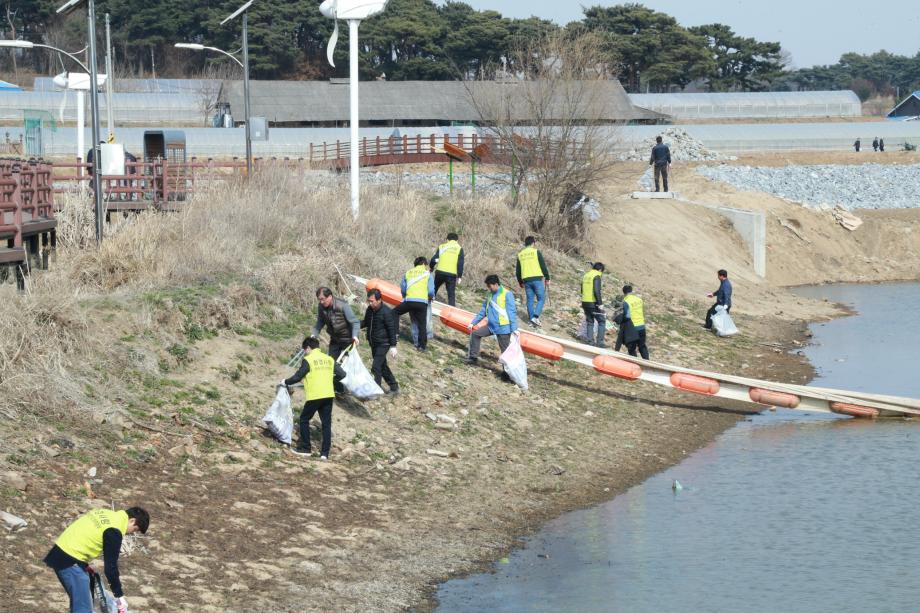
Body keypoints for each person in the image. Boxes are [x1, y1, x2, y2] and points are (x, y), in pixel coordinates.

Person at [44, 506, 150, 613]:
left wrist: (83, 564)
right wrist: (119, 596)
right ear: (132, 521)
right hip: (70, 561)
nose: (131, 533)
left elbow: (85, 534)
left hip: (60, 552)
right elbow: (111, 567)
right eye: (135, 529)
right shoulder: (114, 530)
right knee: (83, 609)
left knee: (80, 602)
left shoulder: (106, 513)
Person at [284, 336, 346, 459]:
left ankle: (305, 448)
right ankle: (324, 454)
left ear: (308, 348)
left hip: (315, 394)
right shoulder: (329, 359)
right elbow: (342, 374)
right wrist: (331, 380)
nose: (305, 353)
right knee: (326, 424)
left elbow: (298, 376)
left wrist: (285, 381)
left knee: (304, 419)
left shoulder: (309, 359)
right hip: (328, 394)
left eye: (304, 350)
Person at [465, 274, 519, 381]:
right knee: (476, 334)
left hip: (503, 328)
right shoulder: (490, 295)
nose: (489, 288)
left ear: (496, 284)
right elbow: (483, 311)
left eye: (490, 286)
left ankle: (507, 374)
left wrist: (514, 329)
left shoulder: (507, 294)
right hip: (491, 326)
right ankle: (473, 358)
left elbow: (512, 312)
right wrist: (473, 323)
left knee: (505, 351)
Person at [311, 287, 360, 393]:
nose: (321, 301)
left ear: (330, 296)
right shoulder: (321, 307)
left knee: (346, 366)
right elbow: (320, 322)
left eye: (323, 299)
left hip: (348, 340)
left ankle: (350, 388)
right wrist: (314, 334)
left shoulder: (343, 305)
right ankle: (338, 389)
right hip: (335, 339)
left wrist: (355, 336)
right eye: (319, 299)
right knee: (331, 363)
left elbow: (355, 322)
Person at [361, 288, 399, 394]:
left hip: (384, 343)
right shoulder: (370, 309)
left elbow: (392, 329)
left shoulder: (386, 312)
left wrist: (393, 346)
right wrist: (354, 325)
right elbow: (366, 322)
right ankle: (394, 387)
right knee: (382, 366)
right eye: (369, 301)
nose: (370, 303)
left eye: (372, 301)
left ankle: (375, 390)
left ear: (379, 300)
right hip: (373, 342)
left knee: (376, 366)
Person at [394, 256, 435, 351]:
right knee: (422, 323)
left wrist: (406, 296)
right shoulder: (427, 274)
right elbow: (431, 291)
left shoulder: (408, 273)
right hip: (422, 303)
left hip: (409, 301)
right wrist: (430, 297)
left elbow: (403, 288)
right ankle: (422, 346)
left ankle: (395, 334)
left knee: (395, 313)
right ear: (424, 264)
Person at [515, 236, 551, 327]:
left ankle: (531, 321)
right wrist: (547, 278)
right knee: (541, 298)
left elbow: (518, 270)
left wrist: (520, 281)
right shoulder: (536, 252)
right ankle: (535, 317)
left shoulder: (520, 254)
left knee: (530, 300)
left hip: (526, 280)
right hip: (537, 279)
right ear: (533, 243)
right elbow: (543, 266)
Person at [431, 232, 464, 306]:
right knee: (451, 294)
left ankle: (428, 304)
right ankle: (451, 311)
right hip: (451, 275)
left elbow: (434, 259)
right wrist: (459, 276)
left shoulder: (442, 246)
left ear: (447, 239)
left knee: (433, 289)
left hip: (440, 272)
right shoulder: (459, 249)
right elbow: (460, 264)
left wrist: (431, 267)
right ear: (457, 240)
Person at [581, 262, 606, 348]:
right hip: (593, 303)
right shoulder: (597, 276)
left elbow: (582, 289)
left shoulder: (586, 275)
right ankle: (600, 342)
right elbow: (596, 291)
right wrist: (600, 304)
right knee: (602, 321)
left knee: (590, 322)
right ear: (600, 269)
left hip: (584, 301)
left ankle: (590, 341)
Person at [621, 285, 649, 359]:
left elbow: (627, 316)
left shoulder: (626, 301)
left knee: (631, 348)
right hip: (642, 326)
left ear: (624, 292)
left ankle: (634, 363)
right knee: (642, 346)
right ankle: (648, 363)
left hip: (632, 328)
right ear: (631, 291)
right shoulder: (639, 300)